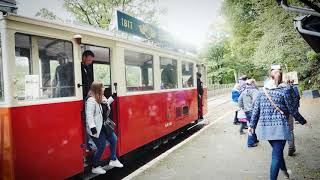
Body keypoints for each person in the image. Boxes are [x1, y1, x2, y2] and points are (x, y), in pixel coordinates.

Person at [249, 69, 308, 180]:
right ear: (280, 79)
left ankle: (285, 173)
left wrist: (252, 126)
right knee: (276, 155)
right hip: (280, 128)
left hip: (266, 129)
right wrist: (303, 121)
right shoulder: (283, 91)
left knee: (278, 152)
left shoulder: (262, 92)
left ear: (269, 78)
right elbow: (292, 110)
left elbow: (255, 110)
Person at [86, 81, 123, 174]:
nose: (104, 89)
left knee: (114, 139)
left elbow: (104, 106)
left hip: (103, 125)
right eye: (102, 87)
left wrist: (112, 97)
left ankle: (113, 159)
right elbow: (89, 115)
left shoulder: (101, 98)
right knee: (101, 146)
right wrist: (92, 127)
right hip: (96, 128)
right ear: (98, 89)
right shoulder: (91, 101)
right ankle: (95, 166)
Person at [238, 79, 259, 147]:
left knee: (251, 125)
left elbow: (239, 100)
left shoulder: (244, 91)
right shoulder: (254, 91)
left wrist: (243, 108)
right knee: (252, 126)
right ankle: (250, 142)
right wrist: (253, 108)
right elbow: (256, 100)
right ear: (253, 84)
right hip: (253, 111)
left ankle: (254, 139)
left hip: (247, 111)